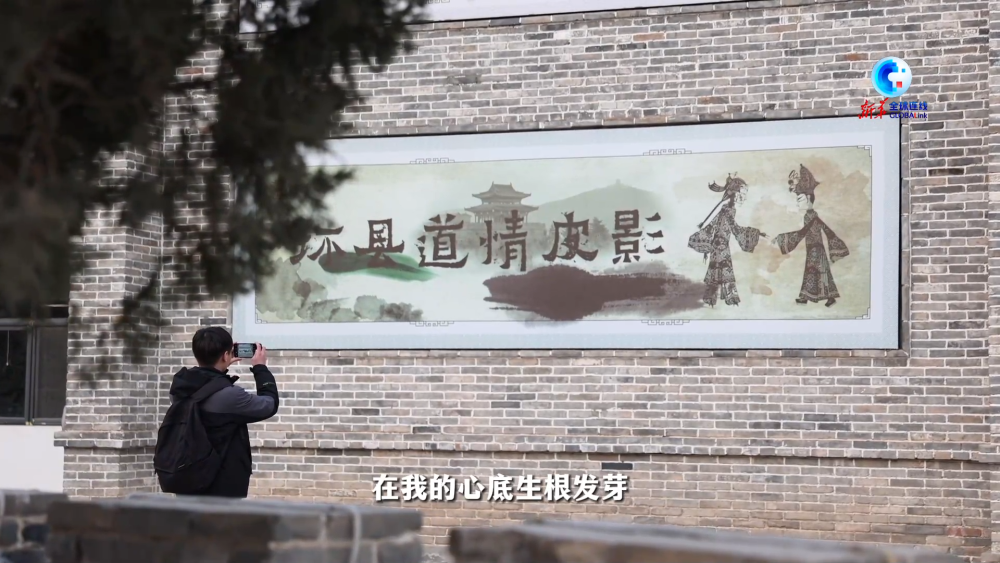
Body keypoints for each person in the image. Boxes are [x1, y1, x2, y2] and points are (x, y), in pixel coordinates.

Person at [167, 327, 279, 498]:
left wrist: (220, 366)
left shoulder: (180, 388)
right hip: (220, 485)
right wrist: (260, 368)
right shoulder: (230, 396)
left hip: (187, 476)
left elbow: (207, 387)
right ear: (226, 355)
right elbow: (269, 404)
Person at [773, 165, 850, 307]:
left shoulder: (811, 216)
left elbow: (804, 232)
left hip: (816, 249)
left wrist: (782, 238)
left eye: (800, 199)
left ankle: (813, 297)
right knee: (817, 273)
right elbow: (824, 229)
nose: (798, 202)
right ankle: (820, 297)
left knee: (816, 272)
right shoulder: (810, 215)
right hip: (813, 248)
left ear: (808, 200)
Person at [687, 173, 767, 307]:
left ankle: (710, 299)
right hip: (721, 246)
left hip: (717, 246)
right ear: (735, 194)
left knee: (715, 271)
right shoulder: (729, 210)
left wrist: (708, 243)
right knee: (725, 271)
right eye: (742, 194)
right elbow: (735, 228)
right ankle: (730, 299)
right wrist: (756, 233)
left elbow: (714, 224)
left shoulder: (726, 209)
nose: (744, 197)